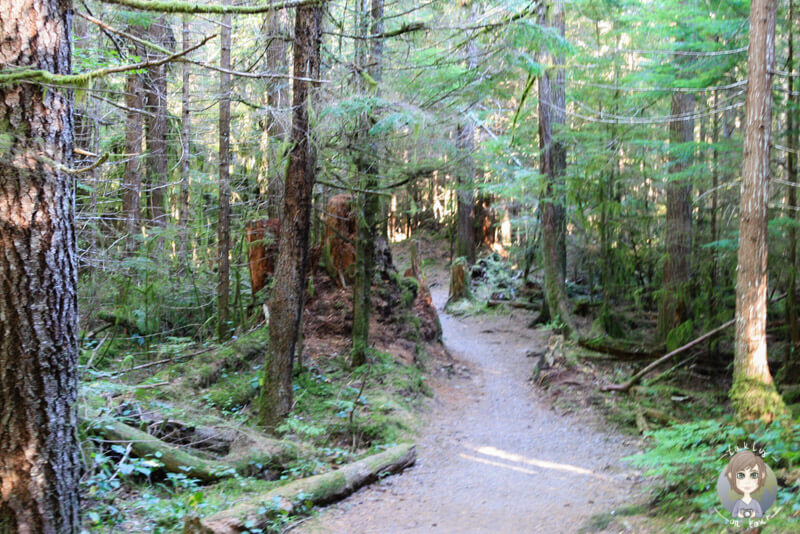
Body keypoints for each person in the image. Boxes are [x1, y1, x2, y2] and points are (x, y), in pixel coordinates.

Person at [725, 450, 767, 518]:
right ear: (731, 476)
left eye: (754, 475)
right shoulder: (738, 503)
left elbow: (759, 514)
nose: (747, 481)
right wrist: (742, 515)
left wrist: (752, 514)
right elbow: (734, 515)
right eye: (741, 475)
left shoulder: (755, 503)